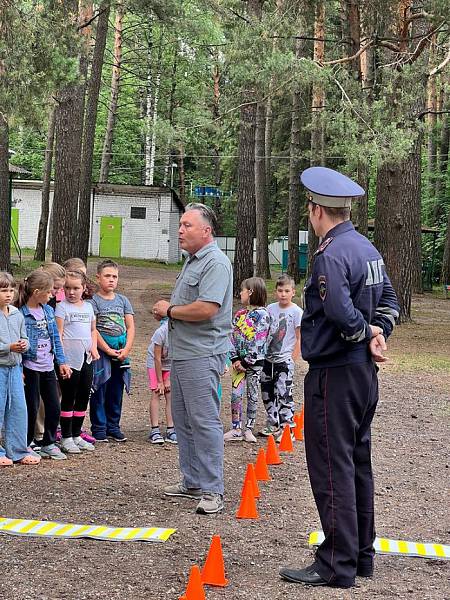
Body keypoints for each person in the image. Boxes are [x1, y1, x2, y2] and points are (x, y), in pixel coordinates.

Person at [279, 167, 400, 588]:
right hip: (363, 374)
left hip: (335, 373)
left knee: (332, 466)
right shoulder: (366, 247)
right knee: (356, 464)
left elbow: (339, 312)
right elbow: (390, 299)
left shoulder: (330, 254)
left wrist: (365, 333)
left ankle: (336, 562)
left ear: (316, 210)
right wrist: (378, 332)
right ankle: (360, 555)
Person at [152, 202, 233, 515]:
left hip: (202, 353)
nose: (180, 230)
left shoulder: (216, 263)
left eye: (187, 225)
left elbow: (207, 309)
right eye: (180, 225)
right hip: (184, 353)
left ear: (206, 231)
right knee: (183, 420)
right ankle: (193, 482)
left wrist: (170, 310)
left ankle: (213, 490)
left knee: (204, 422)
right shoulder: (192, 261)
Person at [17, 270, 72, 460]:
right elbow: (18, 343)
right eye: (49, 292)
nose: (52, 295)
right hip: (30, 368)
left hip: (48, 367)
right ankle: (26, 444)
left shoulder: (48, 311)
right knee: (31, 408)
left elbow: (55, 337)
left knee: (54, 406)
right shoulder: (21, 314)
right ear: (36, 292)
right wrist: (20, 368)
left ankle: (49, 442)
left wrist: (62, 362)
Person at [88, 260, 135, 442]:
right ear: (98, 277)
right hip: (101, 354)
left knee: (116, 390)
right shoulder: (93, 301)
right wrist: (106, 349)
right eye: (107, 276)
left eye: (114, 276)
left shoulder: (123, 300)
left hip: (121, 353)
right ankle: (99, 427)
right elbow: (93, 329)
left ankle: (113, 426)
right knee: (100, 389)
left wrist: (126, 349)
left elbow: (130, 326)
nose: (111, 280)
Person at [55, 270, 99, 453]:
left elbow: (93, 330)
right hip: (69, 360)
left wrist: (94, 347)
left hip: (86, 358)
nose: (71, 292)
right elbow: (59, 333)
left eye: (75, 288)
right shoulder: (62, 307)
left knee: (83, 396)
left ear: (84, 288)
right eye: (67, 288)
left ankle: (76, 434)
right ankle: (65, 436)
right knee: (68, 397)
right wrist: (61, 360)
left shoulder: (88, 307)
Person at [0, 272, 40, 466]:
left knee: (18, 408)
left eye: (11, 290)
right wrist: (8, 347)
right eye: (3, 291)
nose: (8, 294)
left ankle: (17, 450)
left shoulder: (17, 314)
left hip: (15, 368)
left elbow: (24, 337)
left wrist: (24, 344)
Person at [223, 277, 270, 443]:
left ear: (250, 292)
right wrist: (235, 358)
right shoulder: (240, 314)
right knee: (236, 395)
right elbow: (231, 336)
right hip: (238, 364)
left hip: (254, 364)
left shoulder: (263, 316)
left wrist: (246, 362)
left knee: (252, 395)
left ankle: (249, 428)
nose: (240, 293)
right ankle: (236, 428)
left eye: (242, 290)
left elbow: (259, 341)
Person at [260, 274, 302, 441]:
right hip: (268, 359)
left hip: (284, 360)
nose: (283, 294)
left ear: (293, 292)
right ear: (275, 292)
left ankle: (287, 429)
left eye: (286, 291)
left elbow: (299, 338)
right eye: (280, 290)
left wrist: (292, 359)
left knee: (283, 394)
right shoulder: (270, 309)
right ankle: (273, 423)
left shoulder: (296, 312)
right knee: (267, 392)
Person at [146, 316, 176, 445]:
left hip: (170, 364)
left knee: (170, 394)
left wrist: (168, 379)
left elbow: (178, 356)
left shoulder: (182, 334)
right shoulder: (161, 332)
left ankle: (171, 429)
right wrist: (160, 382)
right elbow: (157, 358)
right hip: (155, 363)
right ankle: (155, 430)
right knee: (156, 392)